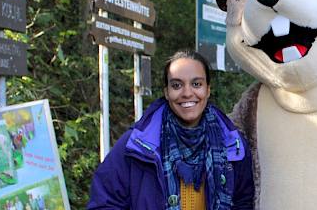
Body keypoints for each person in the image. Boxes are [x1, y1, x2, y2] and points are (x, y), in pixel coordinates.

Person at [88, 50, 254, 210]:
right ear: (166, 92)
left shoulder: (233, 146)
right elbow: (104, 202)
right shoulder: (136, 146)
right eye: (177, 85)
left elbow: (244, 203)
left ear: (208, 90)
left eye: (196, 84)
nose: (187, 93)